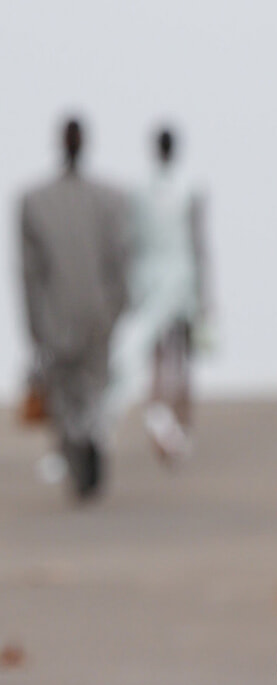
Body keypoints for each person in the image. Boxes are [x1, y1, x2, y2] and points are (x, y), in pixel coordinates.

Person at [19, 118, 128, 498]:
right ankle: (88, 446)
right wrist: (117, 307)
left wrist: (34, 324)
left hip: (57, 319)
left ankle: (79, 453)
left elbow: (30, 274)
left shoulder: (35, 202)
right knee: (92, 392)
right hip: (98, 314)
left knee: (66, 397)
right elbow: (120, 262)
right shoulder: (110, 200)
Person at [106, 125, 209, 461]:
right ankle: (175, 424)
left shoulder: (142, 190)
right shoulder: (186, 189)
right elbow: (197, 244)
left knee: (161, 356)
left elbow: (128, 242)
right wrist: (204, 293)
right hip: (173, 280)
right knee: (176, 357)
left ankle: (168, 423)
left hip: (156, 280)